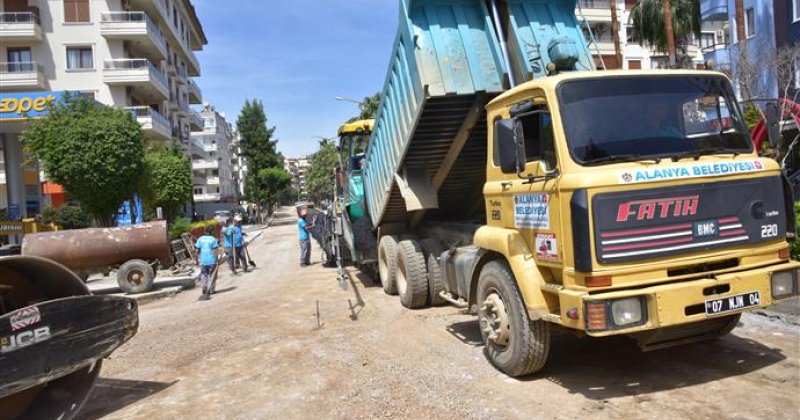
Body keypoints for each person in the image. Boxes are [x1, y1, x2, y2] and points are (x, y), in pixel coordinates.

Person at [195, 226, 219, 300]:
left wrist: (196, 260)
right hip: (211, 260)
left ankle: (204, 286)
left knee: (204, 274)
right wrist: (216, 260)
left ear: (205, 232)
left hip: (203, 260)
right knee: (212, 275)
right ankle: (211, 289)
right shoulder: (213, 239)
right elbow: (215, 251)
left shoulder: (200, 239)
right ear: (211, 232)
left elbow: (197, 250)